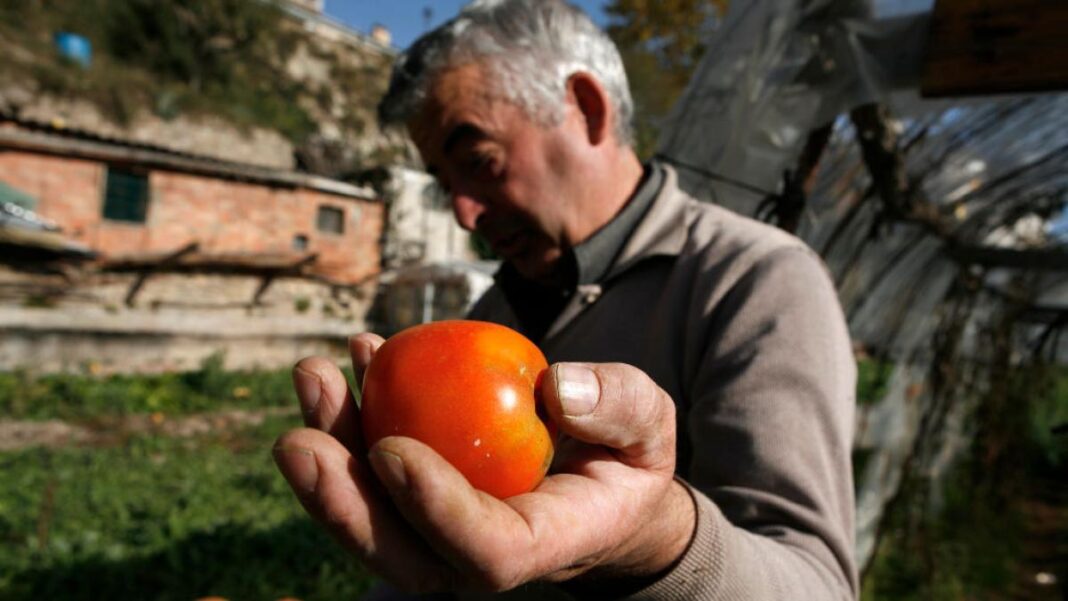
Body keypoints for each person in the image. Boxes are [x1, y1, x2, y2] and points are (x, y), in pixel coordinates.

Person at [273, 1, 858, 599]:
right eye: (447, 185)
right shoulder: (498, 309)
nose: (463, 211)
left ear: (586, 107)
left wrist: (658, 543)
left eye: (479, 162)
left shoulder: (756, 282)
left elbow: (818, 584)